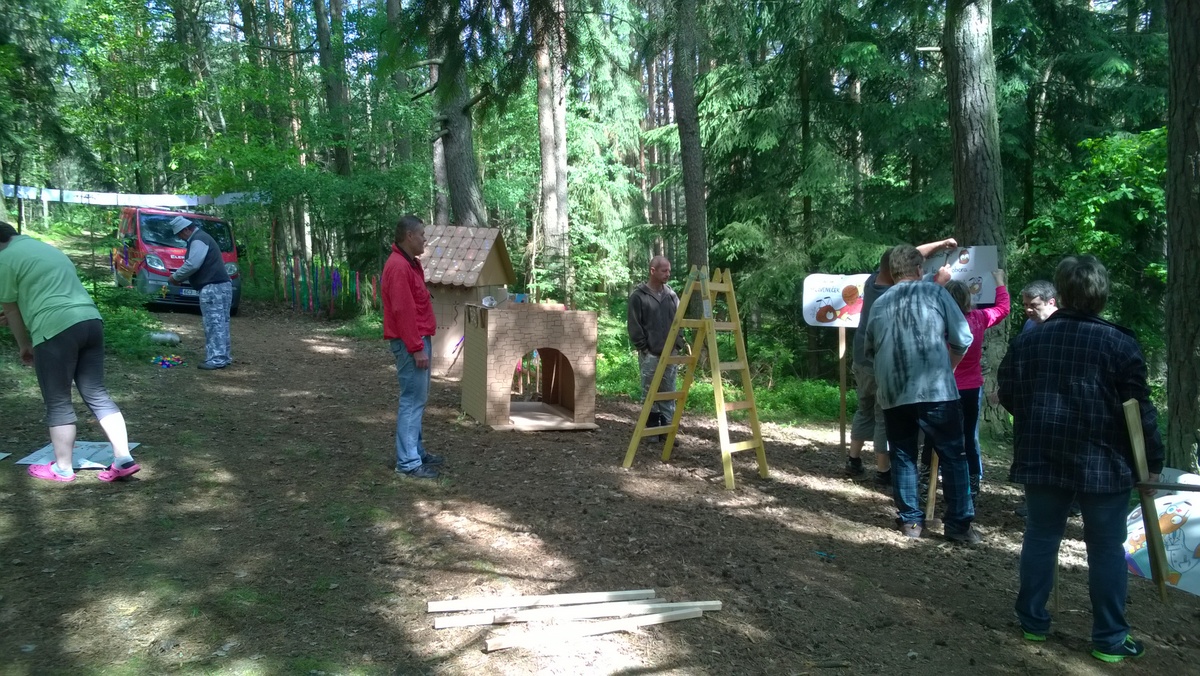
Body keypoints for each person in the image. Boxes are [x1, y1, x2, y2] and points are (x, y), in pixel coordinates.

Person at [999, 255, 1162, 663]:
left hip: (1047, 454)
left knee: (1041, 535)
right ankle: (1109, 639)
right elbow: (1140, 412)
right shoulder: (1119, 343)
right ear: (1101, 294)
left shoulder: (1029, 340)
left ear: (1062, 293)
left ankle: (1032, 622)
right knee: (1105, 547)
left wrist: (1038, 421)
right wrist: (1153, 462)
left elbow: (1009, 394)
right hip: (1103, 462)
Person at [0, 221, 140, 483]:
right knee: (97, 393)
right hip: (89, 320)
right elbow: (43, 292)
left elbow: (10, 309)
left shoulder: (5, 259)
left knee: (58, 400)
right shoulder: (45, 248)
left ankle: (62, 468)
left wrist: (24, 344)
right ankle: (123, 459)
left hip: (54, 329)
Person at [865, 244, 978, 543]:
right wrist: (949, 367)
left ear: (892, 272)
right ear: (919, 270)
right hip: (936, 391)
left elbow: (869, 349)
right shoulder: (936, 293)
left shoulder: (879, 303)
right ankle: (959, 526)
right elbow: (963, 337)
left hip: (894, 392)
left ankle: (910, 523)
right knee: (953, 456)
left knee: (903, 455)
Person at [847, 238, 956, 485]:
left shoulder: (873, 282)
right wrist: (939, 282)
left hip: (861, 358)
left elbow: (909, 257)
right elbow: (922, 294)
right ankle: (883, 471)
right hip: (880, 361)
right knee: (882, 416)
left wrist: (941, 244)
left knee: (864, 409)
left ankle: (853, 459)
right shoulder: (892, 294)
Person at [382, 215, 443, 480]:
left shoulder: (410, 263)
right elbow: (403, 311)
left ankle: (415, 451)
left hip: (417, 340)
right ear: (409, 236)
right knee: (412, 401)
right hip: (411, 343)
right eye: (422, 234)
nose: (425, 240)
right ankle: (407, 462)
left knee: (418, 399)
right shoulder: (398, 267)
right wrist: (417, 347)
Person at [941, 271, 1010, 503]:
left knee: (939, 436)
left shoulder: (938, 322)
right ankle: (972, 482)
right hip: (971, 388)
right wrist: (999, 282)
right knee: (969, 436)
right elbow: (1003, 309)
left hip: (943, 388)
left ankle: (930, 480)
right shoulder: (979, 318)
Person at [627, 256, 688, 441]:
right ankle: (652, 431)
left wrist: (678, 343)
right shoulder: (638, 296)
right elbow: (634, 325)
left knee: (668, 392)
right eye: (664, 271)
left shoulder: (672, 296)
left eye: (669, 270)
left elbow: (680, 320)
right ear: (652, 271)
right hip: (650, 354)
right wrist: (644, 348)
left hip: (671, 354)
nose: (668, 274)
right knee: (649, 393)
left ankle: (668, 432)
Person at [168, 216, 233, 370]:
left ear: (186, 230)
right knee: (222, 323)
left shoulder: (198, 239)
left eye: (180, 234)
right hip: (222, 286)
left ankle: (216, 359)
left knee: (213, 324)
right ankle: (223, 356)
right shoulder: (203, 238)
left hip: (212, 288)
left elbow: (193, 264)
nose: (180, 238)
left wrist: (176, 277)